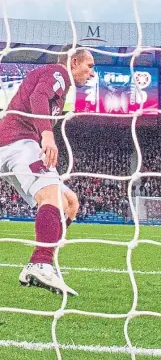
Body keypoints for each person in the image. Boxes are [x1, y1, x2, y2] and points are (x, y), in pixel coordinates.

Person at [0, 44, 94, 296]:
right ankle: (42, 263)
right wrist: (47, 136)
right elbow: (38, 98)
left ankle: (35, 262)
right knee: (51, 195)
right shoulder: (57, 73)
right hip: (18, 143)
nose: (92, 73)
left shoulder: (60, 85)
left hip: (12, 145)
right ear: (73, 62)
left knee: (70, 202)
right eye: (90, 66)